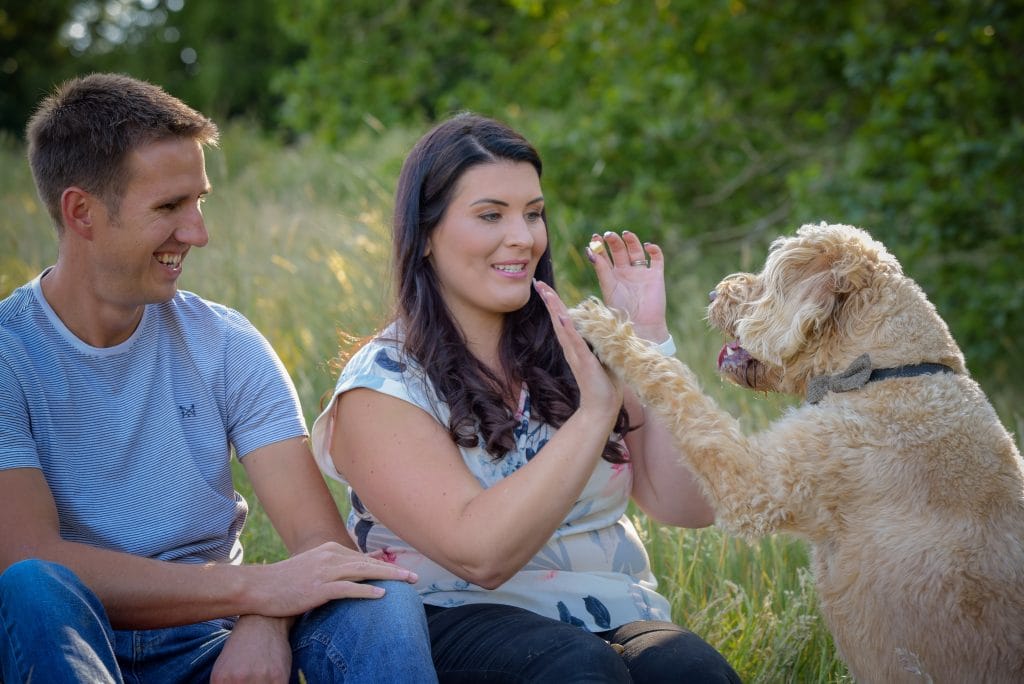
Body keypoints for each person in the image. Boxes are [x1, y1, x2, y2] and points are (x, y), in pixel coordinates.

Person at [0, 73, 437, 684]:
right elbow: (28, 556)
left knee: (377, 598)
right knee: (32, 588)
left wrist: (264, 620)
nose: (198, 233)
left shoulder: (223, 341)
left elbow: (318, 538)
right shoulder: (9, 354)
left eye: (199, 200)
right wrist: (255, 587)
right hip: (73, 646)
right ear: (82, 212)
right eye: (169, 207)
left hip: (214, 648)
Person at [310, 113, 741, 682]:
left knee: (690, 670)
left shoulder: (578, 348)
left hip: (612, 614)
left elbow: (689, 507)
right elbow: (479, 555)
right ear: (426, 234)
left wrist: (649, 345)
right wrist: (593, 415)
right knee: (576, 669)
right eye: (491, 214)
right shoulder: (385, 383)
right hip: (453, 617)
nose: (523, 237)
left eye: (533, 214)